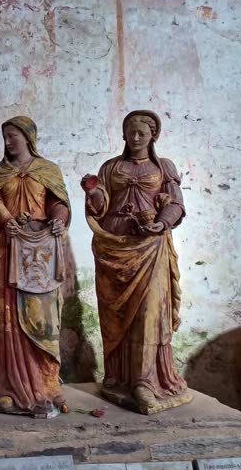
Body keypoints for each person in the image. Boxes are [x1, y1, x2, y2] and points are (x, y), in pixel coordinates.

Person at [82, 110, 191, 414]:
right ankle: (118, 377)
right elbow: (101, 205)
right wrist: (93, 192)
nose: (136, 137)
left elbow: (177, 204)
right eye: (130, 131)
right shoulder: (110, 167)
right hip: (114, 245)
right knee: (115, 314)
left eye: (142, 132)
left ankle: (144, 382)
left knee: (149, 312)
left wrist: (161, 222)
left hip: (151, 247)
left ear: (153, 135)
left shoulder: (162, 167)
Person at [0, 116, 70, 418]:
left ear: (28, 137)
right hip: (5, 250)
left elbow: (59, 202)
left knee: (42, 317)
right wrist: (6, 218)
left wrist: (58, 218)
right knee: (6, 316)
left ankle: (45, 385)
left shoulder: (48, 170)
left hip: (41, 252)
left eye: (12, 135)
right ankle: (5, 387)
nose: (7, 142)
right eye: (4, 136)